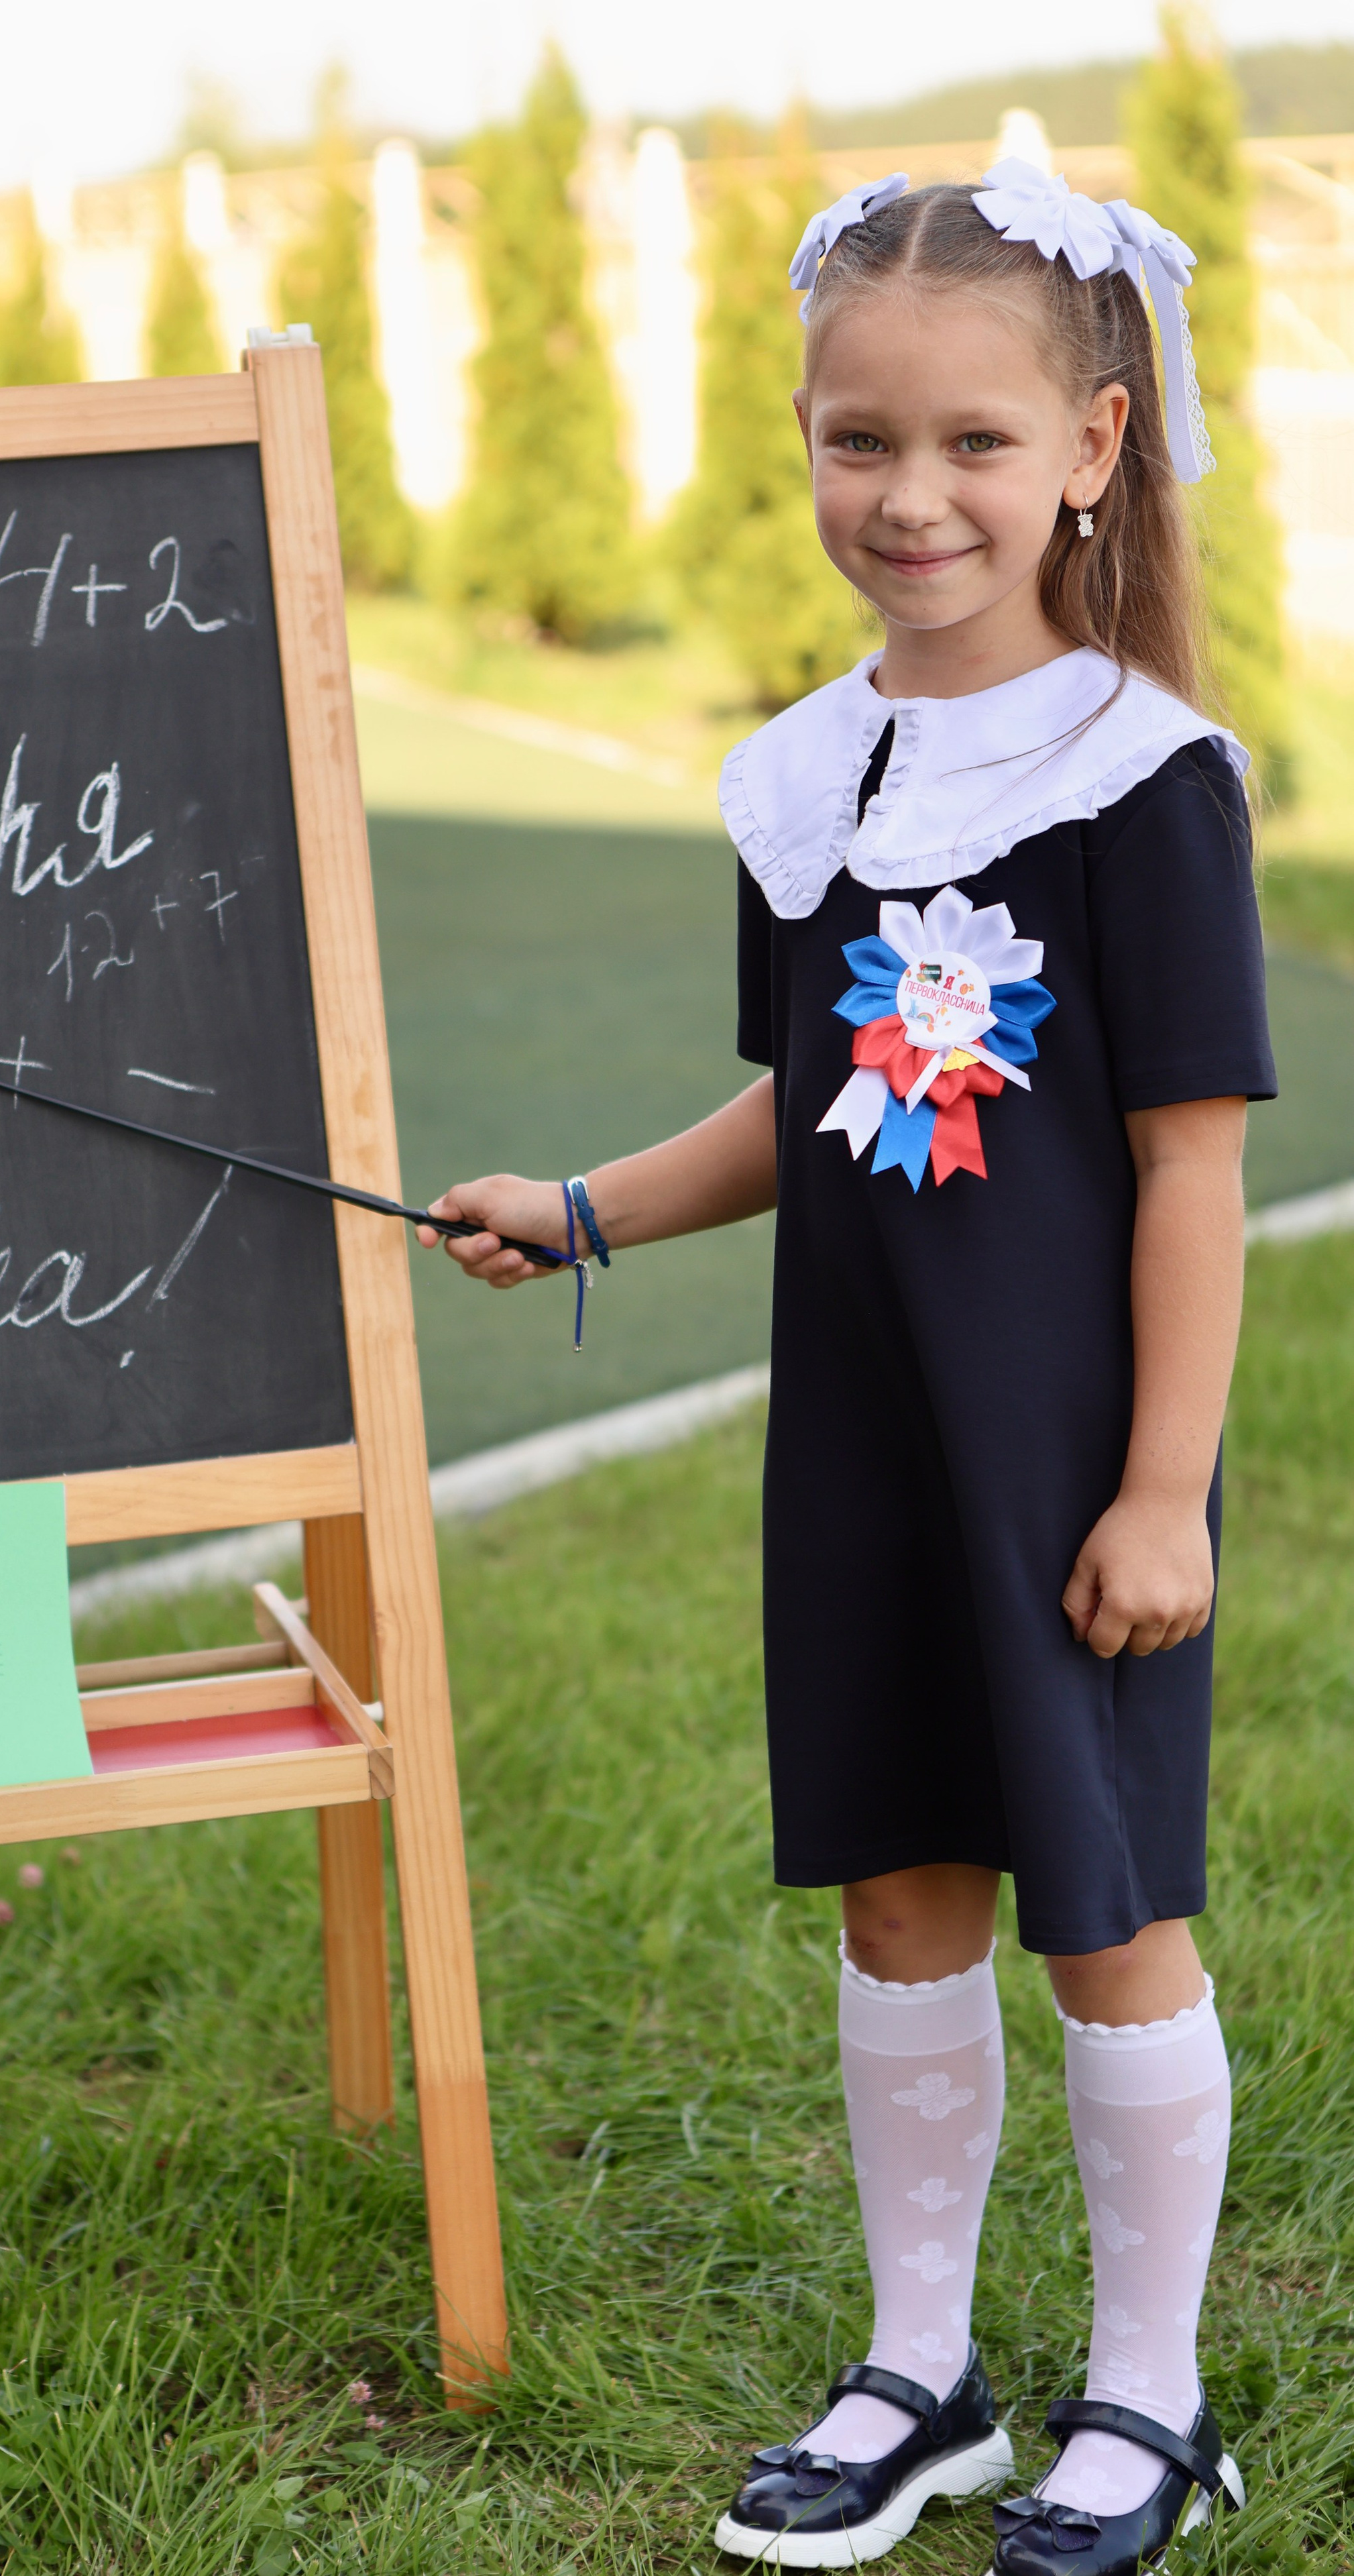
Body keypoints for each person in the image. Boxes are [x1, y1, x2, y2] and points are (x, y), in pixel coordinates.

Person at [417, 162, 1274, 2576]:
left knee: (1104, 1914)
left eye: (977, 446)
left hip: (1069, 1474)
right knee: (899, 1893)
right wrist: (586, 1206)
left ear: (1096, 448)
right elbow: (808, 1107)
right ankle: (931, 2375)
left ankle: (1149, 2395)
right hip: (870, 1460)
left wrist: (1164, 1490)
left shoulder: (1143, 780)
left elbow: (1190, 1170)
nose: (911, 500)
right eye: (858, 442)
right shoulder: (805, 783)